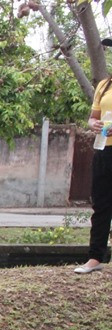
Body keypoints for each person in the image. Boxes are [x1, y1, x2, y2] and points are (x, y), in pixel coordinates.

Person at [76, 43, 112, 274]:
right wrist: (95, 124)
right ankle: (95, 258)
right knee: (101, 205)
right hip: (104, 149)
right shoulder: (104, 85)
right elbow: (93, 118)